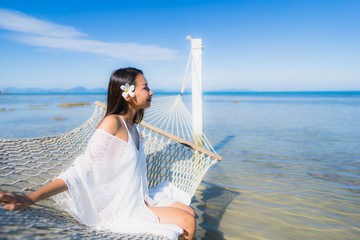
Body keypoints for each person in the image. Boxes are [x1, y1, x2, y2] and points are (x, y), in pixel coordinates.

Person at [0, 67, 196, 240]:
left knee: (189, 211)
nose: (151, 92)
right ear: (128, 94)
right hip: (122, 210)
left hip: (139, 198)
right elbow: (83, 170)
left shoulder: (132, 127)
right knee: (187, 222)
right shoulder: (113, 123)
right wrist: (32, 197)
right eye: (145, 87)